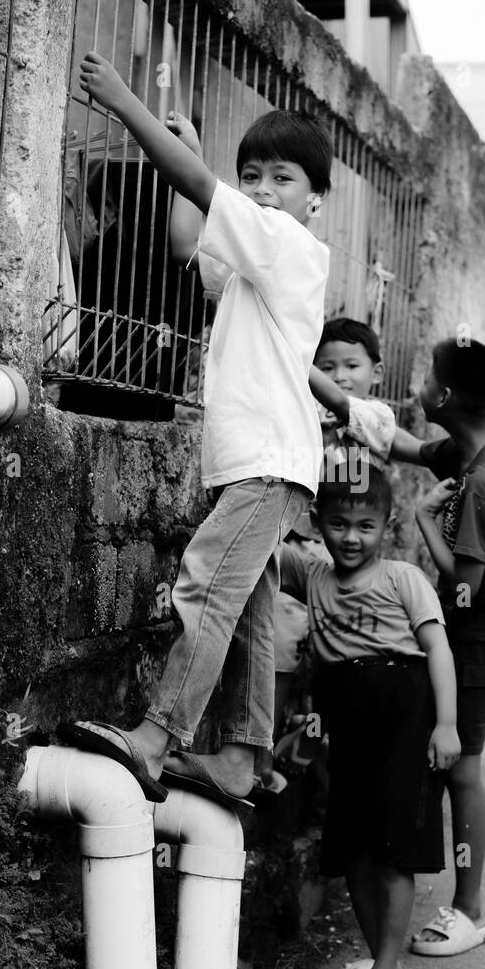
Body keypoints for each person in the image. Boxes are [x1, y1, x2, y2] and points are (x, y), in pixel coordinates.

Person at [58, 50, 331, 805]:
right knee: (246, 614)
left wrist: (125, 106)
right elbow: (188, 239)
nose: (265, 191)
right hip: (263, 462)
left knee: (205, 586)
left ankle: (156, 738)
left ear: (317, 202)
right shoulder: (252, 263)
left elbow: (195, 187)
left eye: (285, 179)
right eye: (255, 176)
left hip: (269, 461)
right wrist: (193, 146)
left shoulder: (290, 247)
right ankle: (243, 756)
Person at [281, 468, 461, 969]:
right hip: (346, 721)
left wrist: (447, 726)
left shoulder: (404, 577)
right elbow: (261, 533)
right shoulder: (310, 575)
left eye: (365, 525)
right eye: (338, 524)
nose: (352, 537)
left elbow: (438, 650)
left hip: (405, 714)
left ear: (387, 525)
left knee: (393, 846)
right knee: (353, 845)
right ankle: (382, 963)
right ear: (318, 525)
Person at [391, 337, 485, 956]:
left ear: (443, 396)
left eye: (426, 378)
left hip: (480, 635)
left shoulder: (482, 484)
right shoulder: (470, 452)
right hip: (473, 633)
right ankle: (463, 902)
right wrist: (333, 395)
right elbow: (406, 445)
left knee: (464, 770)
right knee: (452, 764)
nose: (419, 386)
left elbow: (466, 587)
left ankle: (470, 910)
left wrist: (423, 523)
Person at [261, 317, 397, 792]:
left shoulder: (375, 417)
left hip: (349, 562)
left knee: (336, 669)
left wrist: (295, 356)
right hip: (297, 556)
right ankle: (265, 749)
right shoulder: (301, 415)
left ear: (376, 372)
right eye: (327, 366)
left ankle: (325, 770)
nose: (340, 376)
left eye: (351, 365)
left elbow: (343, 404)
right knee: (278, 647)